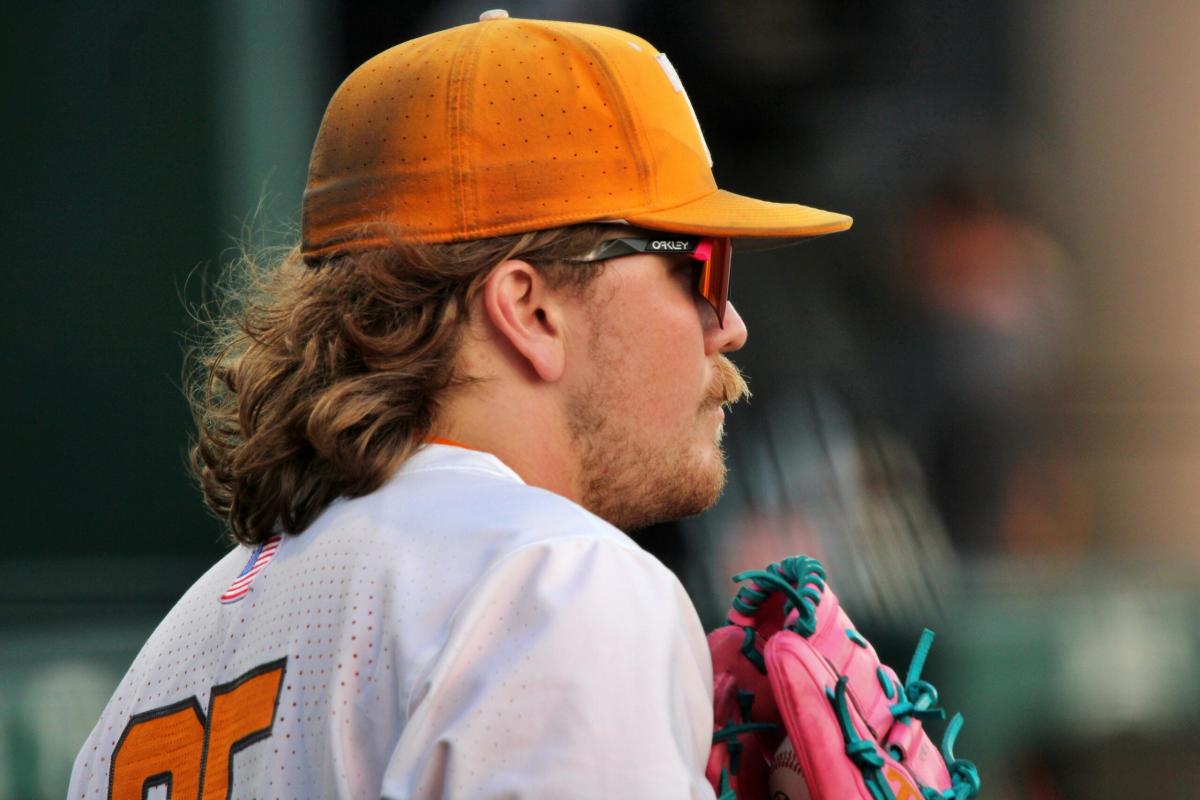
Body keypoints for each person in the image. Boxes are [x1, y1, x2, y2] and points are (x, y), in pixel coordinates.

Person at [69, 11, 850, 799]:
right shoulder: (554, 581)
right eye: (701, 268)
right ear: (530, 307)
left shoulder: (164, 665)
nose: (730, 326)